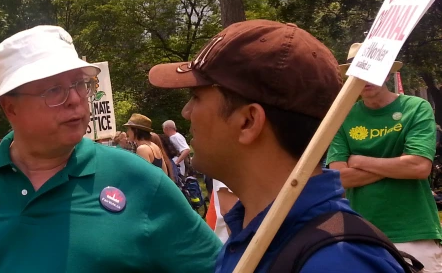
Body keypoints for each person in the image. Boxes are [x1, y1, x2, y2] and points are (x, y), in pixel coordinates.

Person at [0, 25, 221, 273]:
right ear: (11, 108)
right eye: (54, 90)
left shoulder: (138, 179)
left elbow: (219, 267)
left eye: (79, 84)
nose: (76, 99)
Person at [149, 19, 404, 272]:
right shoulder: (252, 233)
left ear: (248, 122)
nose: (186, 111)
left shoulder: (337, 263)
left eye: (196, 96)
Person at [327, 43, 442, 271]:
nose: (365, 78)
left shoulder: (416, 107)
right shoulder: (341, 116)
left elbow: (419, 168)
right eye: (359, 71)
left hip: (415, 232)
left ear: (388, 71)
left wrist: (359, 161)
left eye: (372, 69)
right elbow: (339, 179)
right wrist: (398, 163)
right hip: (361, 234)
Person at [124, 114, 173, 179]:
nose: (127, 132)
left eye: (129, 129)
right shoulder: (154, 146)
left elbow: (144, 177)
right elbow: (165, 173)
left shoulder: (142, 149)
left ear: (136, 130)